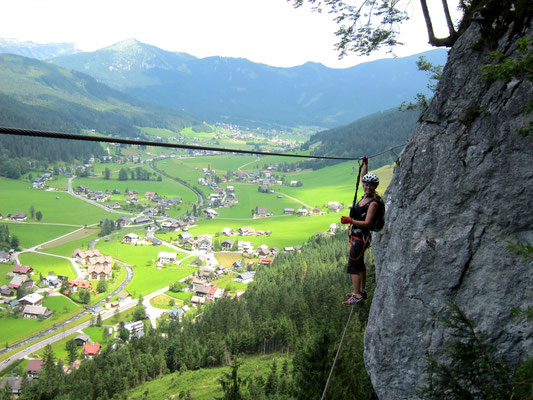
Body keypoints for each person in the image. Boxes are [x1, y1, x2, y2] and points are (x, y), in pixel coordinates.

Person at [340, 156, 380, 305]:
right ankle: (361, 290)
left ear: (374, 186)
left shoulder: (373, 203)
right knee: (360, 264)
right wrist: (365, 164)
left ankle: (356, 295)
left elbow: (367, 223)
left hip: (360, 237)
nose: (368, 187)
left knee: (353, 266)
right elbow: (363, 177)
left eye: (371, 185)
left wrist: (350, 221)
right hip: (358, 237)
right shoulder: (365, 196)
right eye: (366, 184)